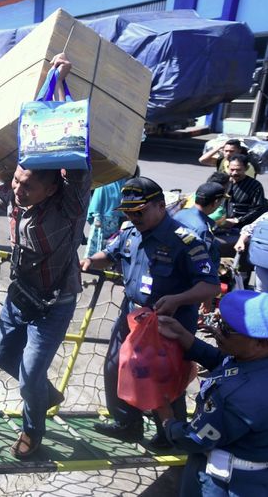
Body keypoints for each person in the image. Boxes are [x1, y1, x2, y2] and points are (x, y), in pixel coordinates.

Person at [0, 52, 87, 458]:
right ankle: (44, 393)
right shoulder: (16, 197)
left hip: (55, 303)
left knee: (29, 373)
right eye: (15, 180)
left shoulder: (70, 205)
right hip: (20, 295)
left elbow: (75, 146)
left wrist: (61, 83)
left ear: (50, 187)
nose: (18, 189)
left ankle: (33, 430)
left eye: (27, 185)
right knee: (0, 355)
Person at [81, 177, 220, 447]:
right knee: (115, 365)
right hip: (132, 316)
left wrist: (179, 299)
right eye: (129, 213)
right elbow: (110, 255)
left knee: (163, 376)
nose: (134, 217)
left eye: (140, 212)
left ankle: (171, 434)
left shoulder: (186, 241)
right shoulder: (129, 233)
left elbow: (210, 285)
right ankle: (127, 422)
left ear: (160, 206)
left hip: (169, 321)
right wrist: (87, 262)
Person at [155, 290, 268, 496]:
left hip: (224, 482)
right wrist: (183, 336)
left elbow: (195, 439)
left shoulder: (239, 397)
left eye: (226, 329)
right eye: (219, 321)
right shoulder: (255, 361)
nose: (216, 330)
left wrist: (167, 419)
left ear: (260, 343)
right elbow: (227, 365)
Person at [173, 182, 227, 267]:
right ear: (215, 202)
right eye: (221, 201)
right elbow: (202, 261)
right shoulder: (202, 229)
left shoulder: (179, 214)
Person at [84, 176, 126, 257]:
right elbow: (98, 197)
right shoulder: (105, 182)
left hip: (113, 218)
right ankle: (93, 262)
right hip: (104, 217)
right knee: (100, 242)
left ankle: (100, 262)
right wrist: (97, 215)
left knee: (110, 243)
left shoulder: (119, 181)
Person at [234, 210, 268, 292]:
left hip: (262, 259)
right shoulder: (267, 215)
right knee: (261, 292)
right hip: (263, 261)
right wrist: (241, 241)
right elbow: (250, 228)